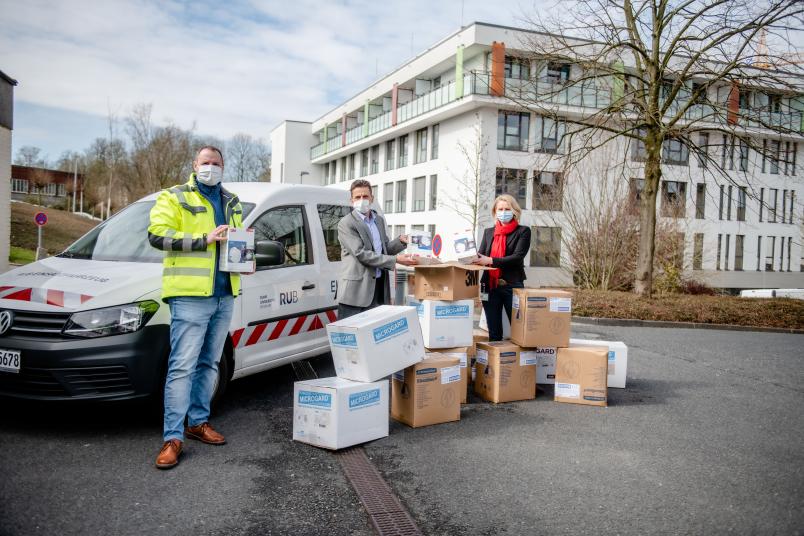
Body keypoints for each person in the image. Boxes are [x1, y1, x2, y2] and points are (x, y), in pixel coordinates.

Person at [147, 146, 246, 470]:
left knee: (209, 364)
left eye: (217, 163)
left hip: (224, 294)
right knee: (182, 367)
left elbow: (237, 241)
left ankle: (197, 422)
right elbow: (158, 236)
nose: (211, 168)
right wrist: (204, 239)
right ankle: (172, 438)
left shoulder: (231, 201)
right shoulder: (175, 197)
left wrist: (246, 259)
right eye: (206, 163)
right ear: (194, 165)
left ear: (223, 167)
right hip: (189, 296)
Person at [337, 179, 418, 319]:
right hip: (356, 293)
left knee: (374, 337)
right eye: (357, 197)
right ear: (351, 200)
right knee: (353, 338)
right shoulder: (346, 223)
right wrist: (396, 260)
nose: (362, 200)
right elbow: (361, 253)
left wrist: (400, 241)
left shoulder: (378, 220)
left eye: (365, 196)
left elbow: (383, 250)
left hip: (379, 288)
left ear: (372, 198)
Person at [472, 194, 531, 341]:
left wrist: (490, 259)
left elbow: (517, 258)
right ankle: (496, 362)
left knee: (519, 330)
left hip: (512, 285)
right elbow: (482, 256)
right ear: (495, 211)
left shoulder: (523, 231)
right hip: (489, 287)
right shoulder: (488, 232)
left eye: (507, 208)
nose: (503, 212)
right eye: (500, 209)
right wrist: (471, 257)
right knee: (493, 332)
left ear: (514, 211)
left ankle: (519, 362)